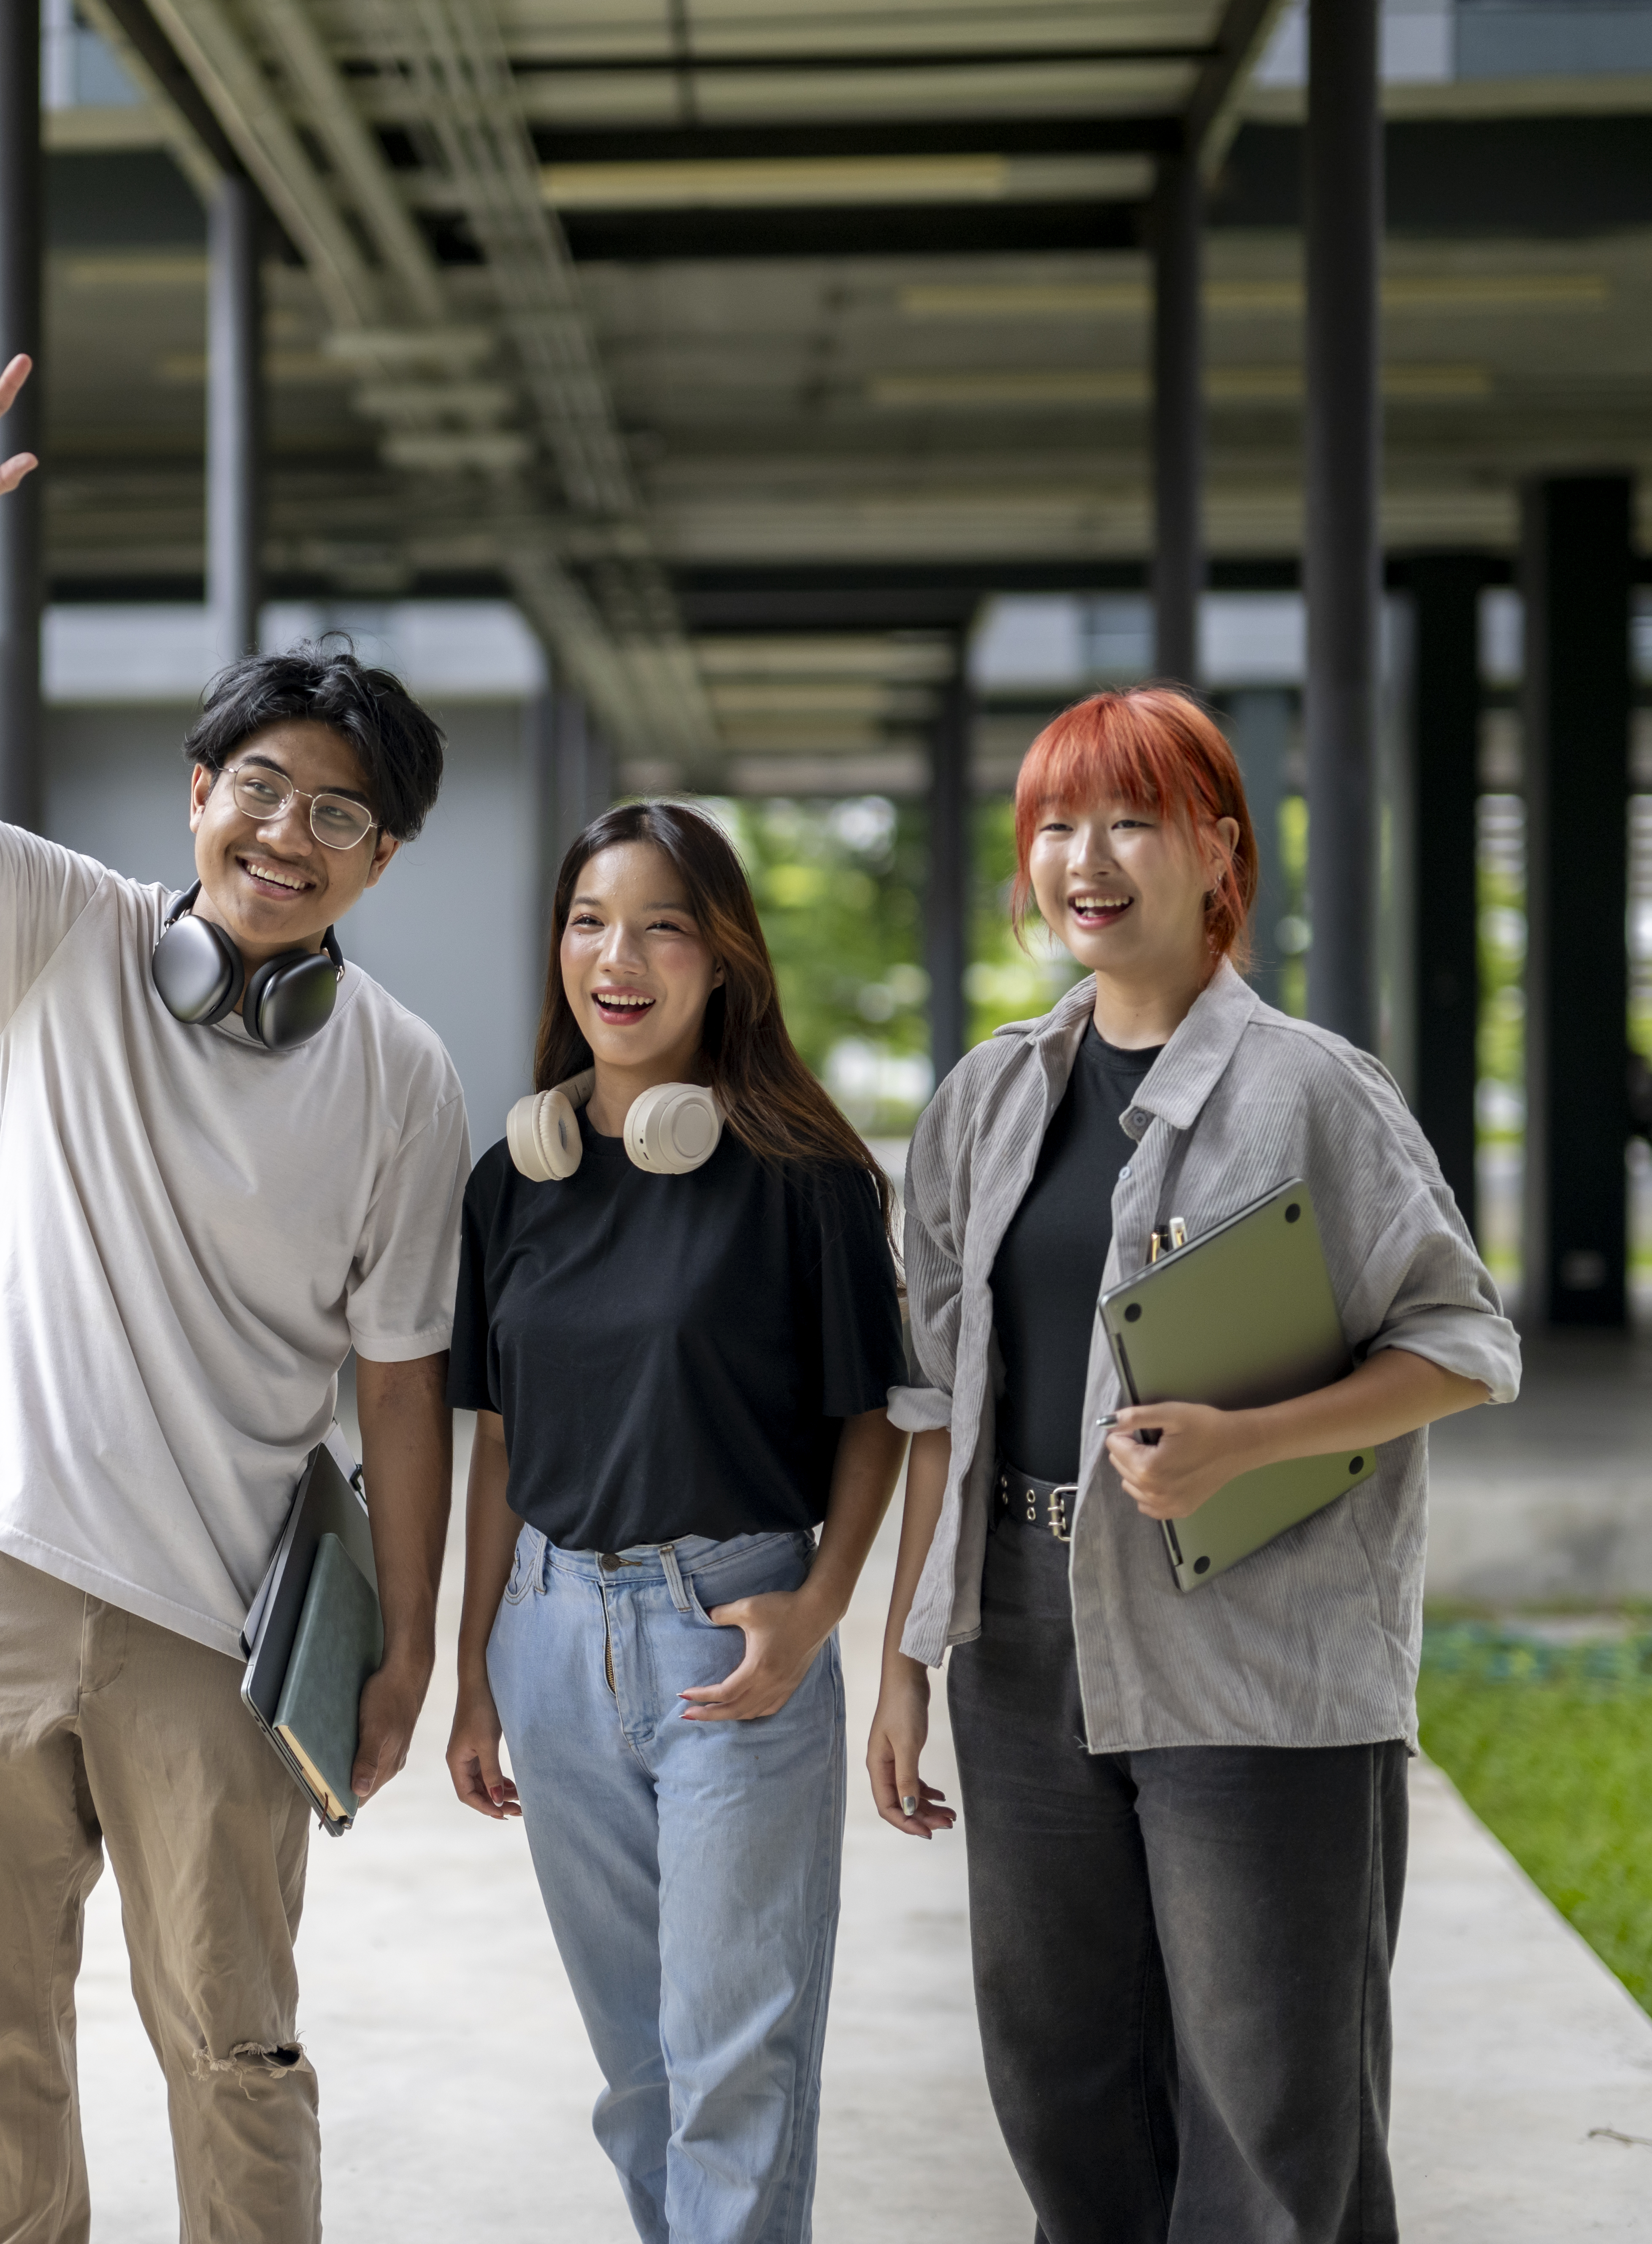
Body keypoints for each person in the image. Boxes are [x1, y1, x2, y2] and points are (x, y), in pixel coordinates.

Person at [0, 313, 470, 2244]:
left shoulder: (403, 1074)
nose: (291, 832)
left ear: (383, 856)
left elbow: (405, 1377)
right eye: (263, 786)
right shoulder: (62, 938)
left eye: (341, 812)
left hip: (219, 1623)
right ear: (199, 793)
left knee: (235, 2050)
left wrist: (408, 1641)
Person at [864, 686, 1522, 2244]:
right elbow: (939, 1400)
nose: (1085, 860)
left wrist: (1250, 1444)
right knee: (1061, 2078)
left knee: (1271, 2102)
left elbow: (1463, 1342)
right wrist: (904, 1657)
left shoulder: (1312, 1090)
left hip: (1259, 1636)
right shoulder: (987, 1098)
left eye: (1132, 820)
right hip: (1020, 1637)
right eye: (1055, 826)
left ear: (1218, 848)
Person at [443, 800, 910, 2244]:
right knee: (640, 2078)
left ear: (724, 962)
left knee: (734, 2066)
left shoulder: (804, 1178)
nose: (618, 957)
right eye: (590, 922)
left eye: (661, 925)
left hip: (733, 1641)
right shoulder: (512, 1184)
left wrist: (819, 1609)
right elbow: (501, 1444)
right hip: (551, 1638)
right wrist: (473, 1670)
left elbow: (873, 1418)